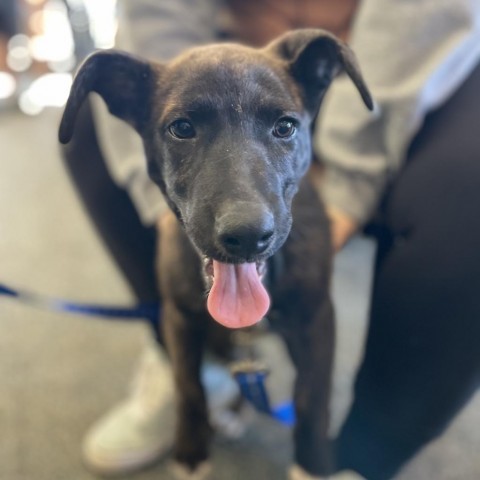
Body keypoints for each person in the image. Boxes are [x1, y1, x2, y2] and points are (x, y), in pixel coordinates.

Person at [62, 1, 480, 479]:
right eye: (182, 127)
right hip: (212, 56)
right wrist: (167, 210)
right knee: (89, 147)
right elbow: (156, 17)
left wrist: (344, 194)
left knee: (470, 186)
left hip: (406, 60)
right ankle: (195, 383)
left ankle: (369, 441)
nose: (246, 221)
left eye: (283, 127)